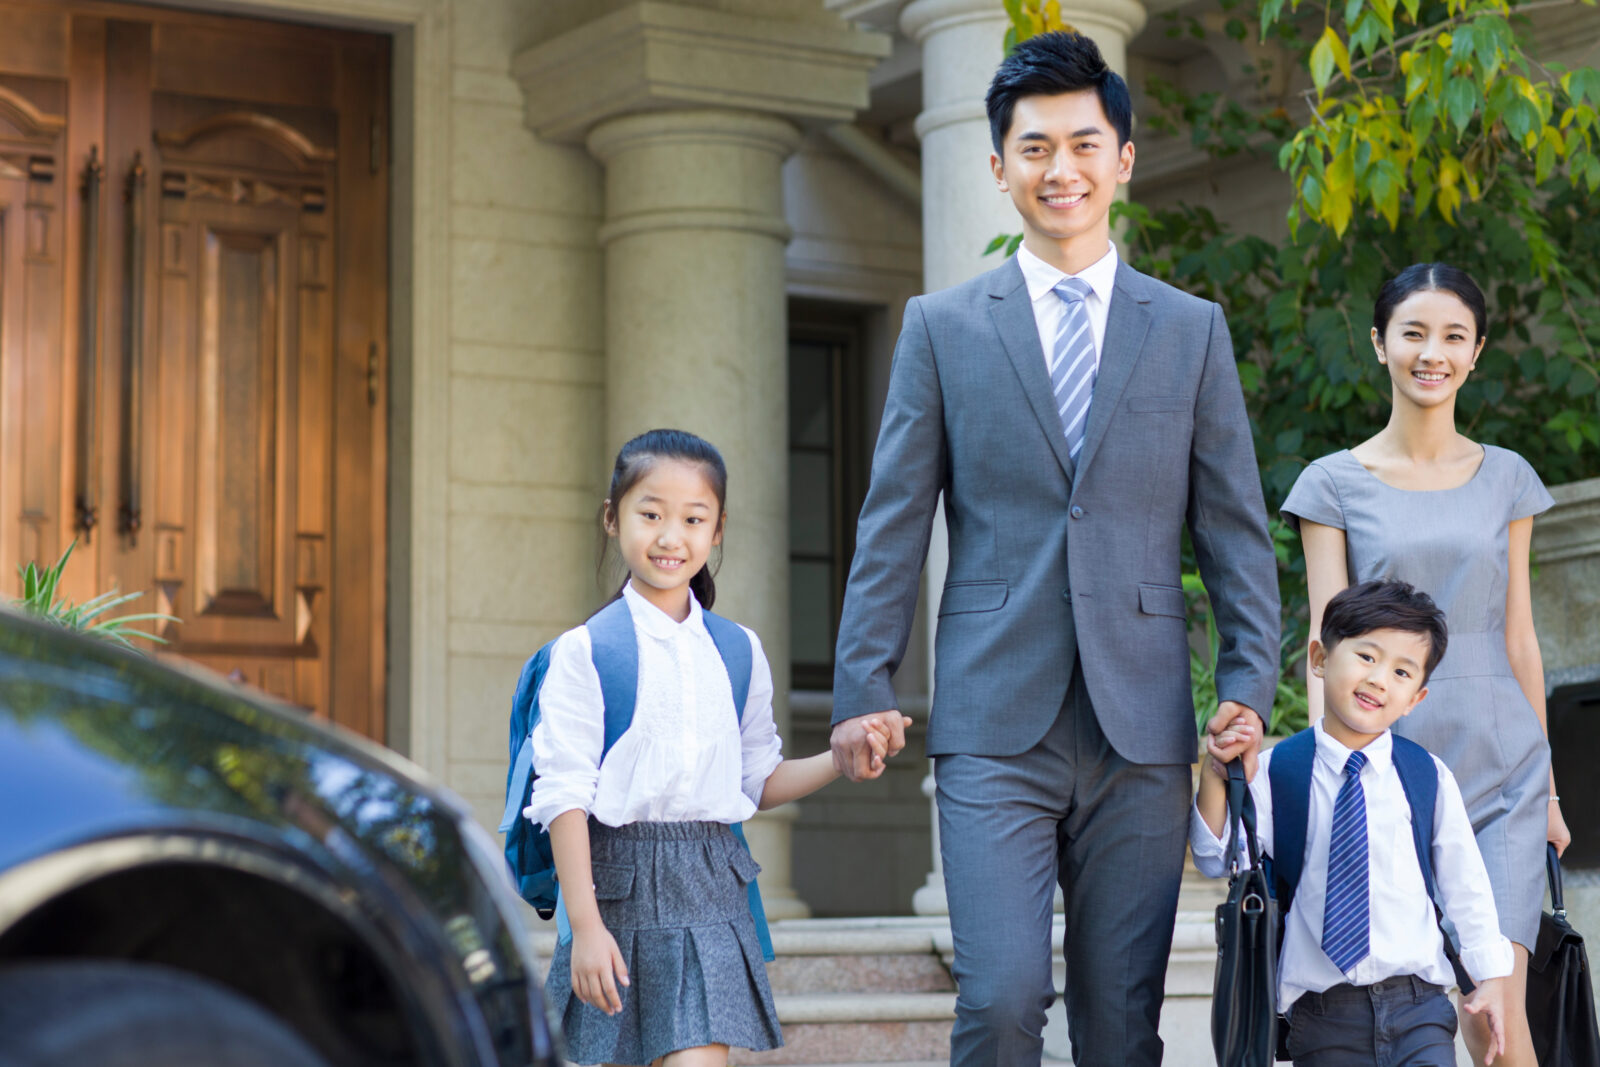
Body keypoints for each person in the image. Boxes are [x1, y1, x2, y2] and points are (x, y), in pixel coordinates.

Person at [829, 31, 1281, 1067]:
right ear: (997, 168)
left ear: (1123, 157)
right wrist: (862, 681)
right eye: (1034, 148)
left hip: (1143, 724)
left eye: (1083, 143)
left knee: (1121, 1022)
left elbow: (1232, 530)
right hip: (993, 716)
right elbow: (892, 518)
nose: (1060, 168)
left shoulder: (1189, 330)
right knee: (999, 996)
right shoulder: (942, 328)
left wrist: (1247, 679)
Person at [527, 428, 904, 1067]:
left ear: (717, 529)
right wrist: (584, 927)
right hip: (613, 888)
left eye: (693, 519)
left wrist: (838, 762)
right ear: (613, 520)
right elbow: (564, 796)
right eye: (651, 515)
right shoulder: (587, 650)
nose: (672, 537)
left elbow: (757, 780)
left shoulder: (737, 651)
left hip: (711, 885)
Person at [1282, 263, 1567, 1067]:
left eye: (1452, 336)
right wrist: (1322, 779)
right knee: (1410, 1012)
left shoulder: (1508, 475)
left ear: (1476, 352)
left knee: (1497, 1019)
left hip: (1501, 772)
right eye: (1413, 333)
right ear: (1380, 344)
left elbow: (1519, 635)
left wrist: (1545, 788)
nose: (1431, 352)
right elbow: (1324, 648)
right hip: (1387, 774)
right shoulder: (1331, 483)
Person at [1194, 579, 1513, 1066]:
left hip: (1419, 1008)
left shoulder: (1425, 775)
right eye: (1367, 657)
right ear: (1320, 659)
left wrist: (1490, 979)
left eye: (1401, 671)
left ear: (1415, 699)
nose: (1380, 679)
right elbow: (1218, 857)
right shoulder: (1281, 770)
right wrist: (1220, 774)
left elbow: (1464, 884)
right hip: (1322, 1017)